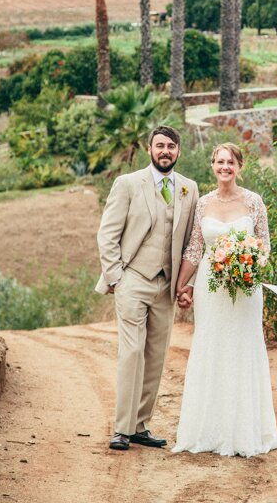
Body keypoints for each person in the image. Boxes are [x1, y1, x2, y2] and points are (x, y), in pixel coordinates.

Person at [172, 142, 277, 457]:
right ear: (212, 166)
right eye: (219, 162)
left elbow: (265, 245)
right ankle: (208, 430)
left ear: (239, 166)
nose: (224, 167)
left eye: (230, 162)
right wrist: (181, 285)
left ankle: (246, 431)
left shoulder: (254, 202)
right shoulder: (202, 203)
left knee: (244, 348)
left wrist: (248, 263)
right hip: (210, 289)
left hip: (245, 288)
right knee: (210, 348)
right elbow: (194, 248)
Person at [95, 125, 199, 451]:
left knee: (156, 356)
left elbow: (193, 243)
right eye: (159, 146)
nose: (165, 151)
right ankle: (121, 429)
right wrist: (116, 277)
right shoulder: (127, 184)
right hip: (133, 280)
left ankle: (141, 425)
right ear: (150, 150)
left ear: (178, 151)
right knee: (132, 352)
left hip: (167, 286)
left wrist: (187, 284)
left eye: (170, 146)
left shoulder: (189, 188)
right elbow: (108, 233)